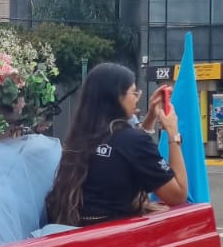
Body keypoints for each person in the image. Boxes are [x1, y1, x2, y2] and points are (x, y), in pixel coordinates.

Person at [46, 63, 187, 226]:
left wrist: (150, 118)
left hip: (72, 227)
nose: (137, 97)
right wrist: (173, 134)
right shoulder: (131, 141)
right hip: (111, 236)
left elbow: (124, 151)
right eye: (134, 92)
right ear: (117, 97)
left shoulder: (80, 135)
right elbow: (178, 195)